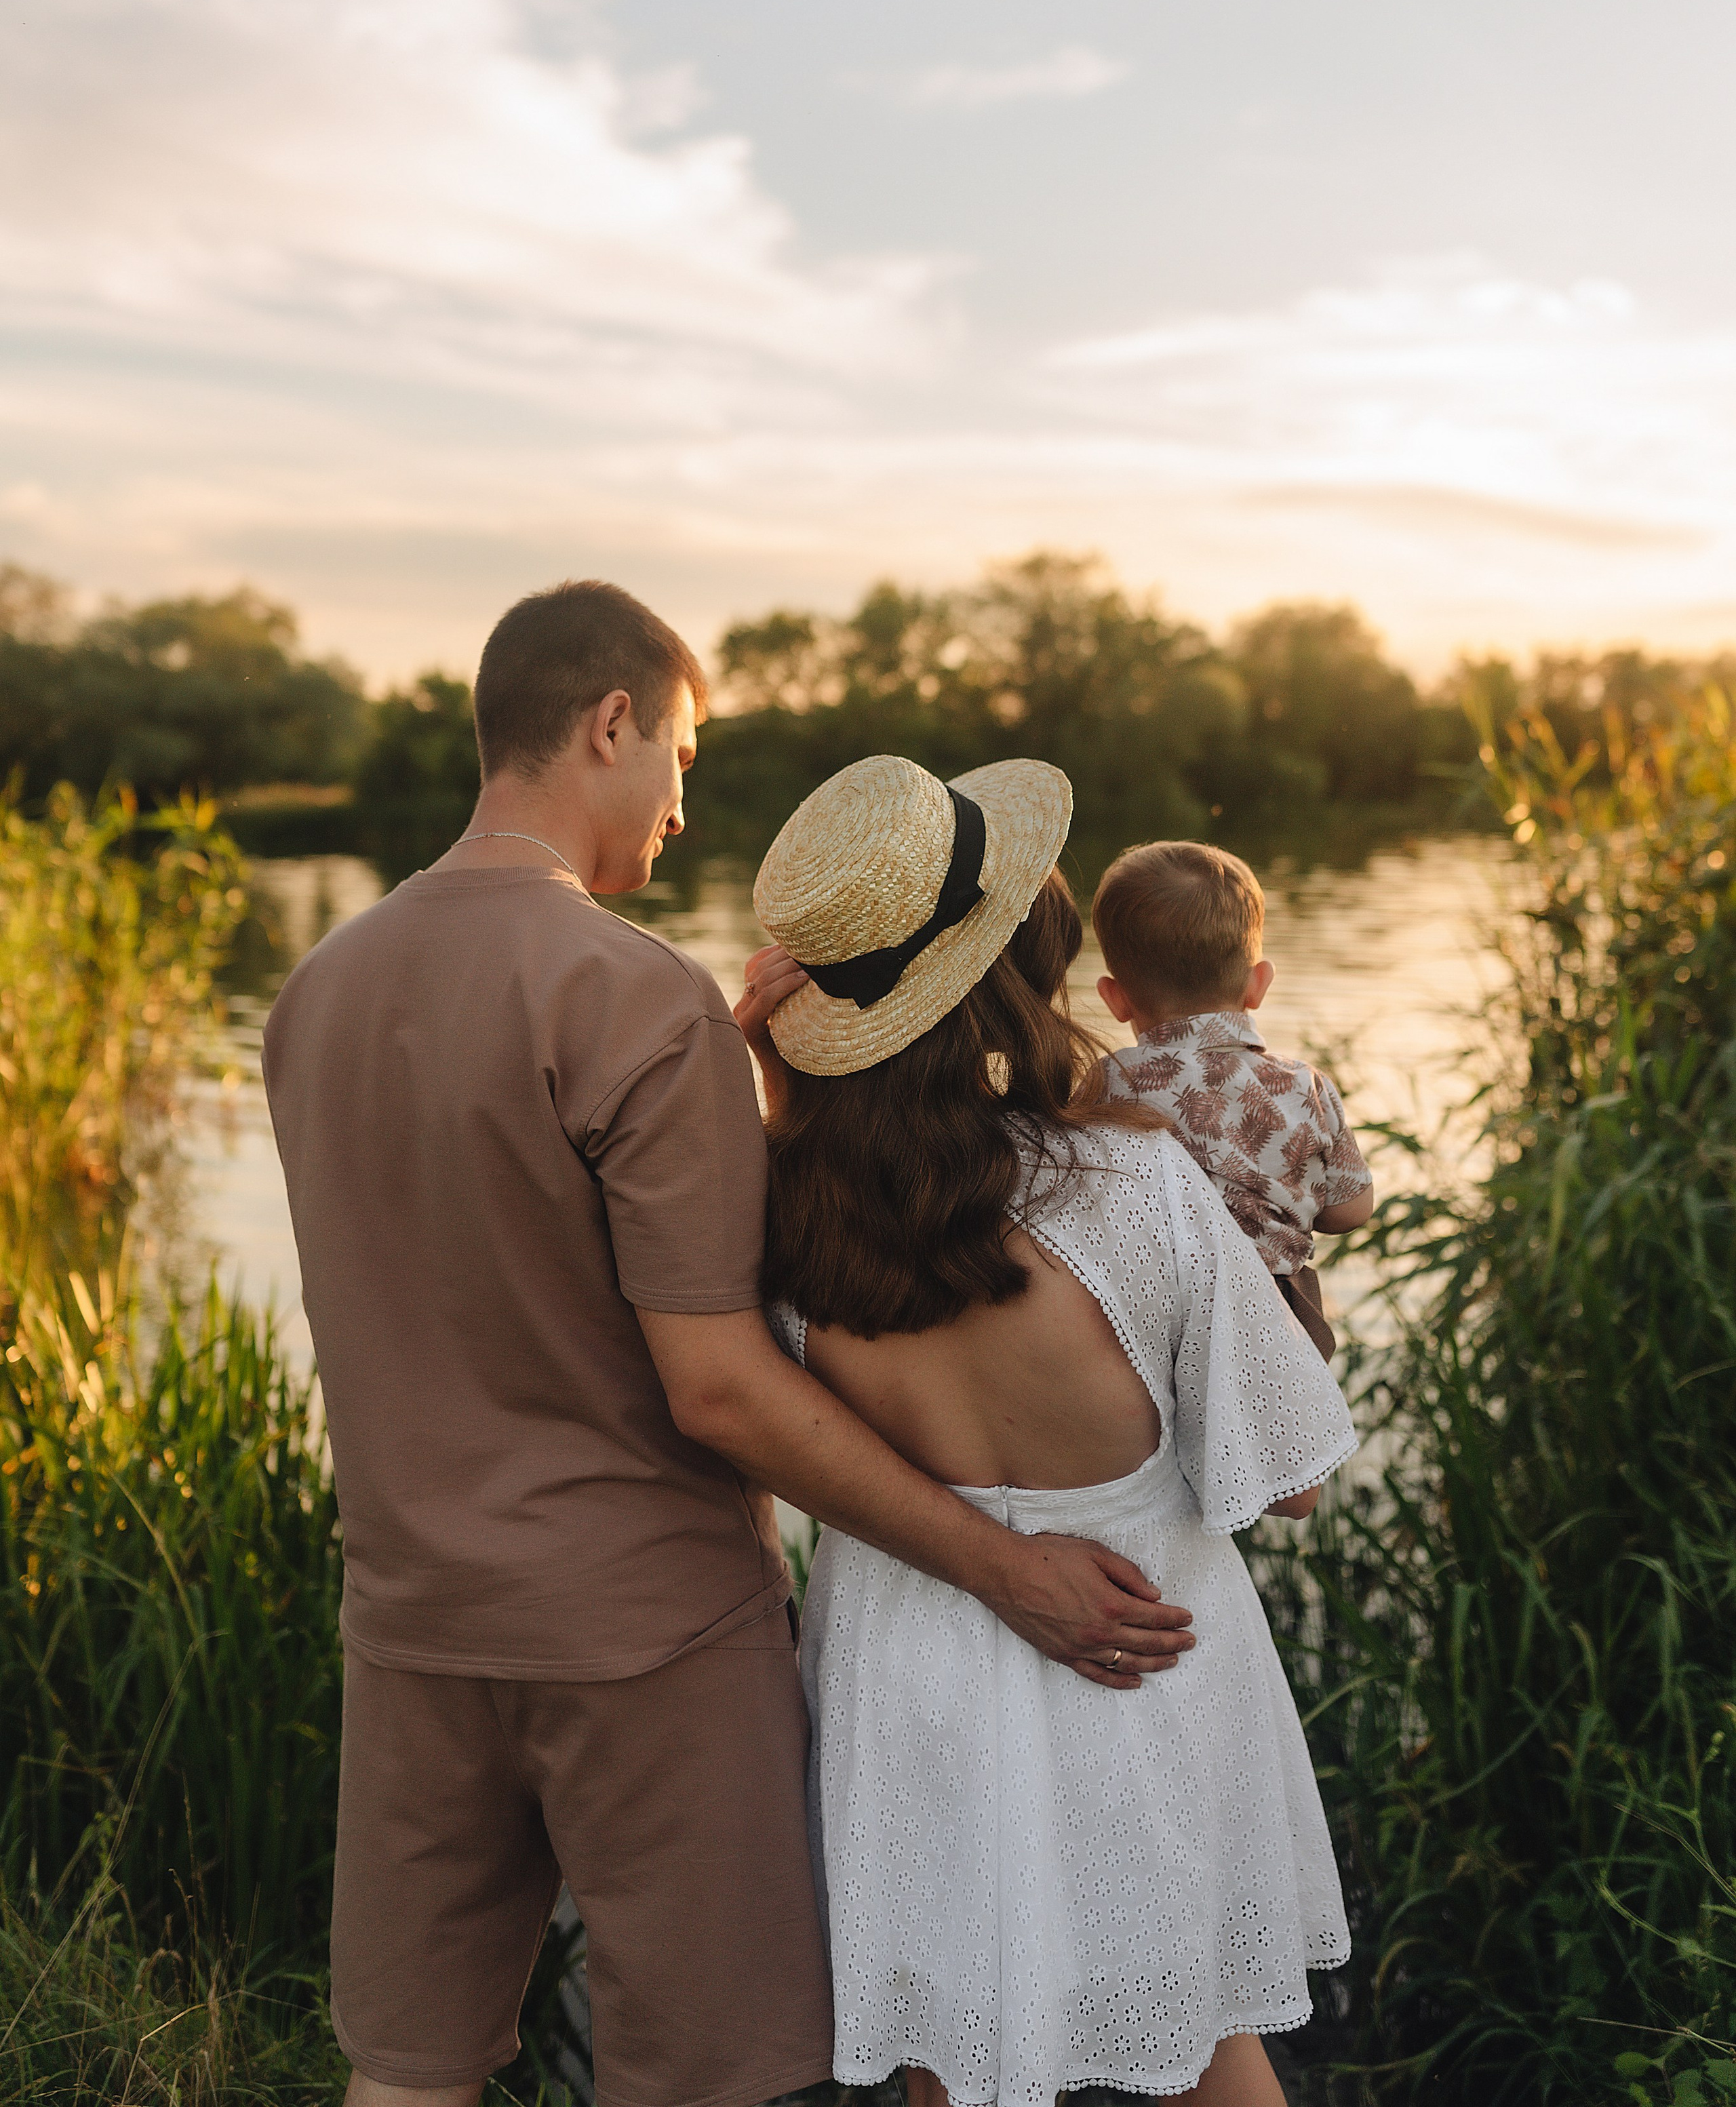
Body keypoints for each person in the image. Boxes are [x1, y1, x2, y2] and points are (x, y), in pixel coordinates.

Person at [262, 580, 1194, 2107]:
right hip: (646, 1639)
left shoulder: (315, 989)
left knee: (410, 2065)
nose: (683, 806)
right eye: (681, 755)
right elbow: (717, 1382)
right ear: (610, 721)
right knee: (700, 2073)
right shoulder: (631, 994)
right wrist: (1003, 1562)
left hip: (411, 1618)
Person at [734, 754, 1360, 2107]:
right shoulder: (1128, 1183)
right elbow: (1289, 1483)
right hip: (1141, 1649)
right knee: (1201, 2045)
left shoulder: (781, 1213)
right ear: (1015, 976)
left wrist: (770, 1079)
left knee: (945, 2059)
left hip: (908, 1669)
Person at [1089, 840, 1375, 1360]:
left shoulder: (1106, 1085)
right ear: (1258, 984)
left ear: (1115, 997)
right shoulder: (1304, 1087)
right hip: (1279, 1313)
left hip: (1150, 1315)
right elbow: (1353, 1209)